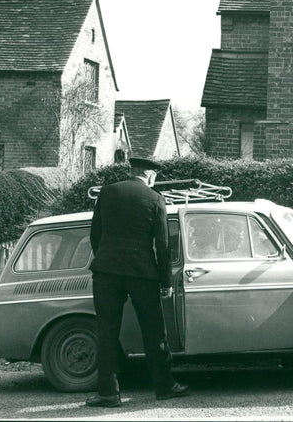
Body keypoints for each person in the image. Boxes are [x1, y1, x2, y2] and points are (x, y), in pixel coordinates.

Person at [85, 156, 189, 407]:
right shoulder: (155, 199)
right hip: (142, 273)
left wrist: (106, 261)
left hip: (106, 273)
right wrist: (165, 282)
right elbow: (162, 246)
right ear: (151, 176)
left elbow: (95, 234)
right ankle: (164, 386)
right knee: (154, 332)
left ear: (132, 171)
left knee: (107, 332)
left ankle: (109, 393)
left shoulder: (107, 193)